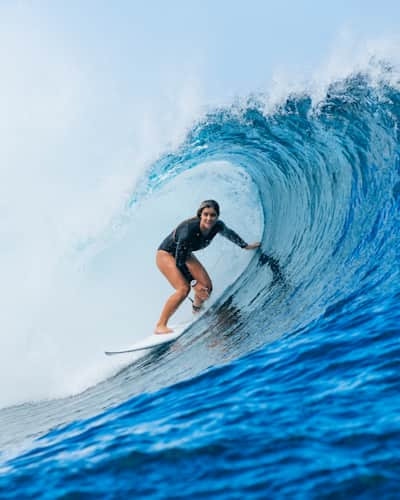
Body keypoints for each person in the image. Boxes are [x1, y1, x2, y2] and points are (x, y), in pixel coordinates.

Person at [155, 200, 260, 333]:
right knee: (184, 288)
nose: (209, 218)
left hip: (183, 253)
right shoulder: (188, 231)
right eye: (206, 214)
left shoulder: (218, 226)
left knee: (206, 288)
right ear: (200, 215)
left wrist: (245, 246)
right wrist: (194, 283)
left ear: (217, 216)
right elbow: (179, 263)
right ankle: (160, 325)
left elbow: (229, 234)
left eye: (213, 215)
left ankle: (196, 310)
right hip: (166, 254)